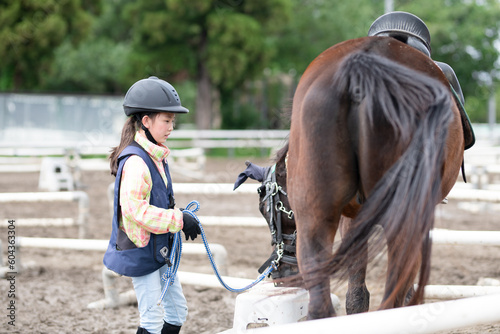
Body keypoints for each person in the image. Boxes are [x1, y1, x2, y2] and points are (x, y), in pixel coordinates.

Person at [103, 76, 201, 334]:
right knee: (152, 321)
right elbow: (136, 211)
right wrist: (179, 219)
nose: (171, 127)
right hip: (142, 249)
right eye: (166, 120)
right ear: (146, 121)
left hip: (159, 248)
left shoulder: (155, 154)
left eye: (173, 121)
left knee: (177, 312)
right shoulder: (137, 162)